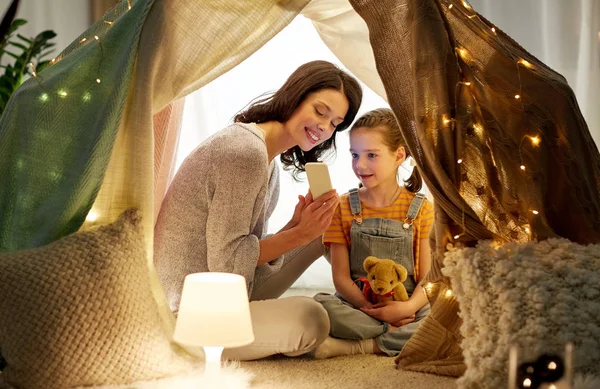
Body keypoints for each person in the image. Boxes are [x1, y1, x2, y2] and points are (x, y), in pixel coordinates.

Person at [153, 60, 363, 360]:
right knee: (312, 318)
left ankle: (372, 306)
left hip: (227, 290)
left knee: (328, 226)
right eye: (320, 111)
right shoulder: (244, 152)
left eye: (335, 124)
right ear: (295, 96)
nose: (325, 128)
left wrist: (295, 227)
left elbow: (246, 255)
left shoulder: (268, 159)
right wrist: (298, 233)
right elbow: (229, 265)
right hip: (189, 312)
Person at [314, 108, 434, 359]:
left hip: (405, 303)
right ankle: (389, 332)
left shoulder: (422, 208)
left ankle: (362, 345)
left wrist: (407, 307)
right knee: (320, 306)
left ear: (399, 155)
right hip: (359, 303)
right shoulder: (343, 206)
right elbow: (341, 280)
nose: (360, 164)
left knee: (445, 318)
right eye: (355, 155)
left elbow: (426, 278)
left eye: (371, 155)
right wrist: (372, 310)